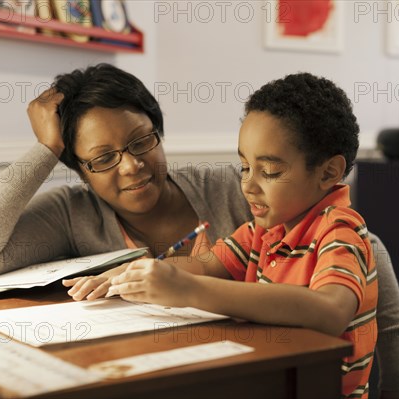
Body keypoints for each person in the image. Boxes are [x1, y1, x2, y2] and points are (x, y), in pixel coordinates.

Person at [0, 64, 399, 398]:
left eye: (142, 141)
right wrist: (134, 273)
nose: (131, 166)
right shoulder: (73, 212)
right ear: (81, 171)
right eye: (102, 159)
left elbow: (360, 257)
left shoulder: (268, 203)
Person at [102, 72, 369, 397]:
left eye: (269, 171)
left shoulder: (340, 229)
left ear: (328, 172)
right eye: (244, 168)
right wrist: (139, 274)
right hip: (268, 379)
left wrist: (190, 289)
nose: (248, 185)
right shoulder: (264, 231)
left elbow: (330, 312)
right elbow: (203, 265)